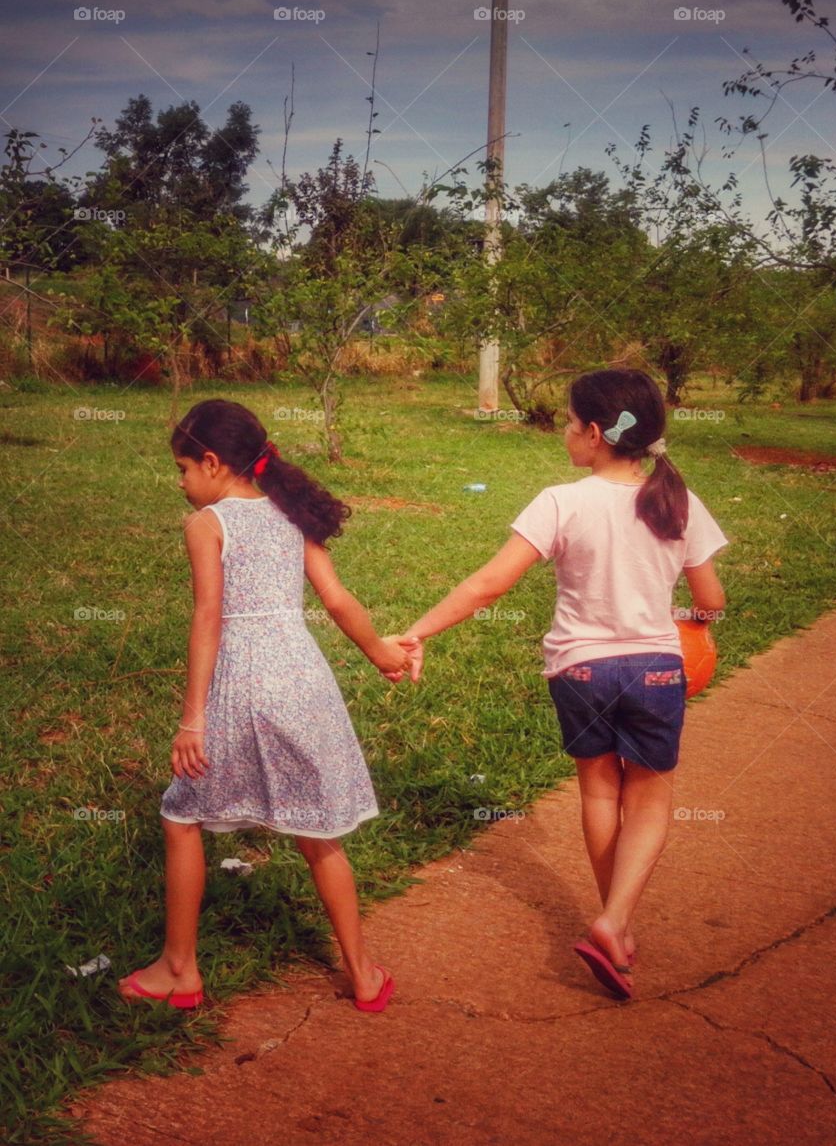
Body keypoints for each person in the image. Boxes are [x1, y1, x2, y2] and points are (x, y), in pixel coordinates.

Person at [400, 369, 728, 999]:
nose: (566, 434)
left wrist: (419, 631)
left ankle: (614, 925)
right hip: (658, 668)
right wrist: (688, 619)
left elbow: (489, 584)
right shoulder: (677, 500)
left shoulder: (560, 500)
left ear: (597, 434)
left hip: (578, 672)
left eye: (570, 423)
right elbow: (710, 599)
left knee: (601, 795)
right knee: (651, 800)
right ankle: (614, 922)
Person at [119, 399, 413, 1013]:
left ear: (212, 462)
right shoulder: (289, 513)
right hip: (304, 679)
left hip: (242, 683)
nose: (181, 484)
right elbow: (335, 599)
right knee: (318, 831)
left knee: (182, 815)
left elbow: (208, 619)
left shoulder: (208, 524)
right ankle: (362, 973)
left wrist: (191, 716)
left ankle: (179, 969)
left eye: (182, 469)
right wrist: (380, 652)